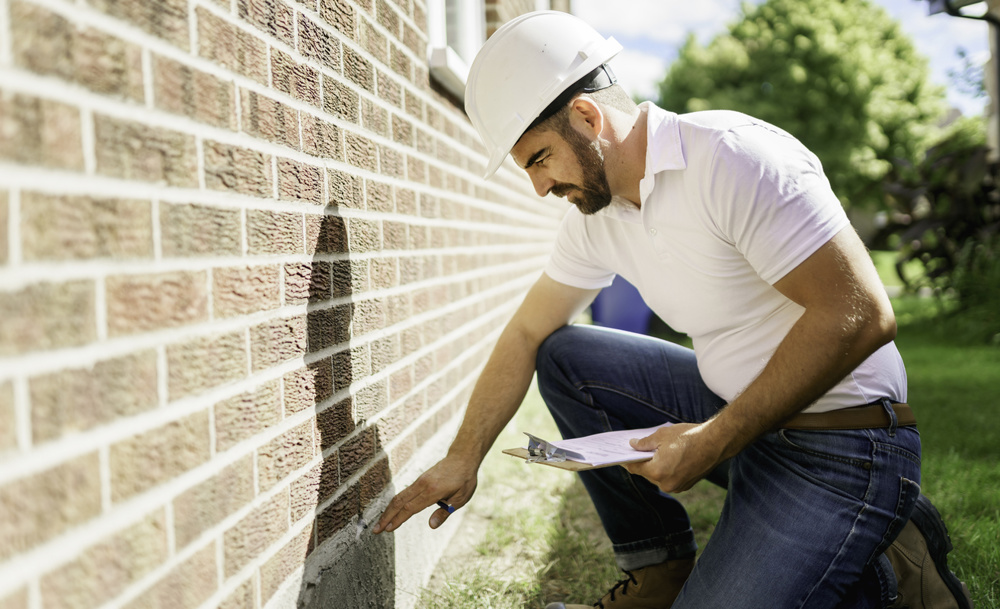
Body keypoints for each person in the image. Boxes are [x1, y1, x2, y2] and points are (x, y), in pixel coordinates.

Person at [374, 11, 973, 609]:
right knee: (565, 355)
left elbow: (861, 313)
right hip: (744, 424)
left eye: (539, 159)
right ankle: (661, 571)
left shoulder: (734, 158)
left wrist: (715, 439)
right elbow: (529, 329)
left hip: (844, 448)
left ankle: (881, 556)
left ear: (587, 117)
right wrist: (463, 456)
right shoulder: (597, 216)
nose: (540, 186)